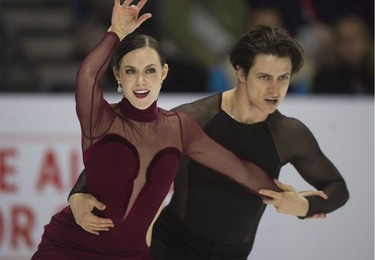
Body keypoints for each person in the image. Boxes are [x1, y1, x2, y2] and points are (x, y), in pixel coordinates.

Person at [31, 0, 283, 260]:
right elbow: (87, 76)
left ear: (163, 73)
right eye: (131, 71)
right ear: (118, 75)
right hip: (70, 248)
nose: (141, 81)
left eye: (150, 70)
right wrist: (115, 31)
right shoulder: (100, 119)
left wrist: (288, 196)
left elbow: (237, 169)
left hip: (132, 254)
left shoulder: (179, 128)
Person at [68, 22, 349, 259]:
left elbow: (337, 188)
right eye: (264, 77)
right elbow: (117, 156)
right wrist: (78, 193)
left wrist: (305, 206)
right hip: (170, 247)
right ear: (240, 72)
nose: (275, 90)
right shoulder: (193, 118)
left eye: (283, 78)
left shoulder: (289, 134)